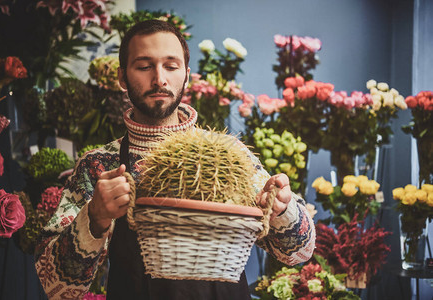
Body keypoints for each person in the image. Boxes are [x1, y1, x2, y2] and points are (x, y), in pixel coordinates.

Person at [35, 20, 315, 300]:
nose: (159, 79)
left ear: (187, 75)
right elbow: (55, 287)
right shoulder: (99, 166)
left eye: (171, 66)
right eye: (144, 66)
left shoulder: (231, 155)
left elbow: (298, 252)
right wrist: (94, 217)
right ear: (122, 77)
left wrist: (283, 209)